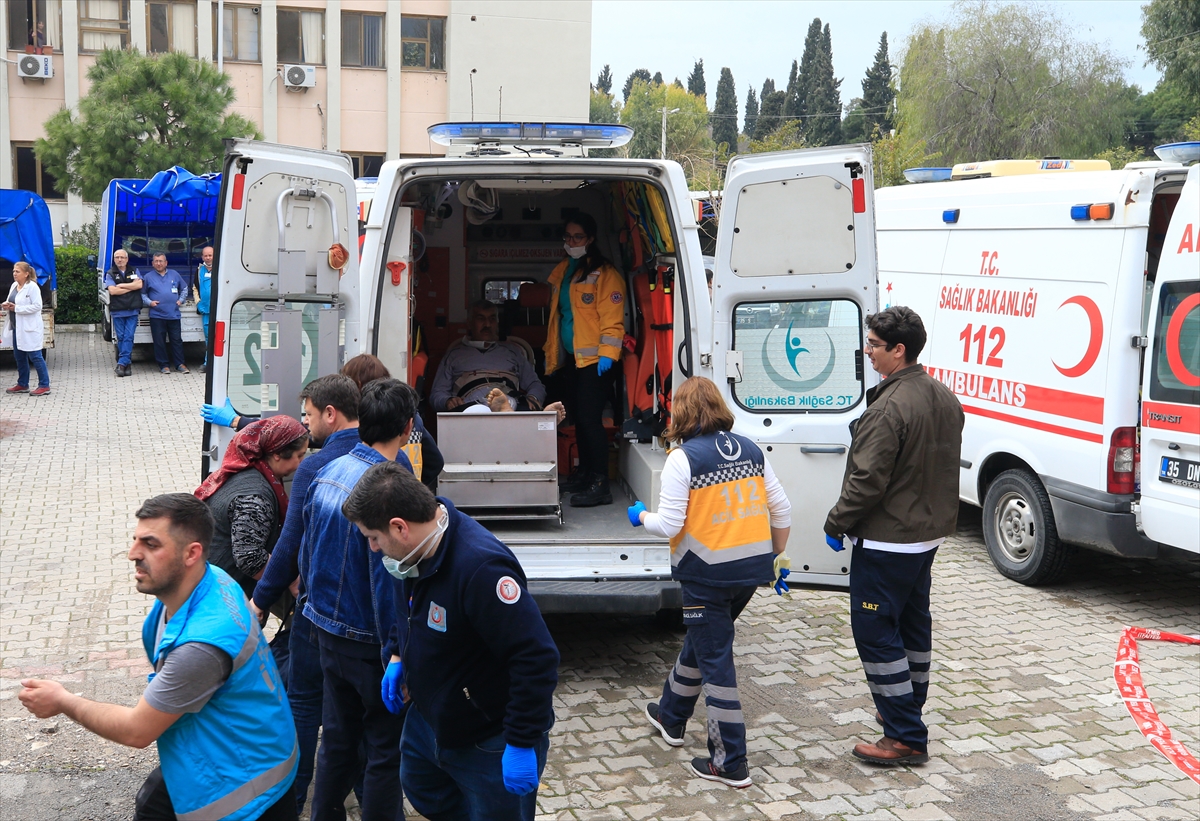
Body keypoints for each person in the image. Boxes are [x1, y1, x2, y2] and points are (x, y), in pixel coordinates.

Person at [18, 493, 298, 821]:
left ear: (191, 553)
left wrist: (63, 701)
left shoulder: (201, 646)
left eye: (151, 545)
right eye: (136, 540)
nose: (133, 554)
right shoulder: (212, 581)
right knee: (151, 805)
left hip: (242, 794)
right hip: (227, 746)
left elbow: (136, 731)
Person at [343, 462, 559, 821]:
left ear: (400, 527)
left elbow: (536, 658)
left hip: (487, 738)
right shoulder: (412, 554)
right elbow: (409, 607)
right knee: (421, 787)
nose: (374, 548)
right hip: (430, 722)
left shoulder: (480, 570)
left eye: (373, 537)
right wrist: (399, 655)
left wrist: (521, 741)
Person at [628, 376, 792, 789]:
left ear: (679, 412)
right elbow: (782, 509)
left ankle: (729, 761)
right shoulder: (752, 449)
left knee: (717, 660)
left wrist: (640, 517)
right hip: (748, 574)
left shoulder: (683, 459)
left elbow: (669, 524)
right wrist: (776, 556)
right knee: (704, 644)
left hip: (705, 575)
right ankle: (670, 715)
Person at [824, 306, 963, 766]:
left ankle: (904, 735)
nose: (867, 351)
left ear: (898, 350)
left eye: (874, 345)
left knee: (876, 632)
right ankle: (906, 711)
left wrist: (836, 522)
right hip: (926, 536)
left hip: (888, 540)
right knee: (912, 625)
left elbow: (867, 481)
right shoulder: (943, 396)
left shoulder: (887, 407)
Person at [300, 378, 416, 821]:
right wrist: (396, 651)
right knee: (385, 753)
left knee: (337, 744)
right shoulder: (386, 490)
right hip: (369, 644)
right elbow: (388, 578)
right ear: (407, 428)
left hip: (326, 633)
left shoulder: (325, 470)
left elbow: (307, 555)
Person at [250, 374, 362, 813]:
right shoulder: (387, 462)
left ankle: (292, 801)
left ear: (330, 414)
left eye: (310, 415)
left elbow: (289, 546)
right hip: (363, 622)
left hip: (316, 615)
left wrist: (259, 602)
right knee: (350, 719)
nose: (308, 425)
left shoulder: (316, 468)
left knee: (303, 704)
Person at [203, 355, 444, 493]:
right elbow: (435, 461)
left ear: (358, 387)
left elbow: (295, 433)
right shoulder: (411, 419)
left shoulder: (361, 426)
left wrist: (237, 421)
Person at [543, 213, 626, 507]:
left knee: (591, 422)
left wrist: (607, 356)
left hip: (597, 363)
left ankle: (600, 483)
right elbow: (562, 318)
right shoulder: (566, 271)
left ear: (590, 239)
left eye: (577, 237)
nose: (571, 242)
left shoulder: (605, 274)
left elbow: (613, 322)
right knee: (579, 419)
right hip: (574, 362)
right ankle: (585, 473)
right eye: (567, 237)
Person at [195, 416, 309, 599]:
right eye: (300, 455)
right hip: (221, 597)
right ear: (278, 453)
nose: (302, 463)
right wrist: (293, 582)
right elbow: (251, 558)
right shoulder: (255, 497)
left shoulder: (246, 470)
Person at [429, 299, 546, 413]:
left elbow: (535, 384)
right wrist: (447, 401)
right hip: (470, 404)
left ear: (497, 323)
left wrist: (533, 399)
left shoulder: (513, 352)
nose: (487, 324)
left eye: (492, 319)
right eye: (481, 319)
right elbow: (437, 393)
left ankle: (504, 406)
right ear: (469, 323)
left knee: (517, 406)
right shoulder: (454, 355)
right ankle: (496, 409)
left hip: (510, 400)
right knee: (476, 410)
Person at [3, 262, 51, 396]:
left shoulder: (32, 287)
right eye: (13, 271)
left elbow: (37, 306)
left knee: (35, 356)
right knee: (19, 356)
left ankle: (44, 385)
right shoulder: (14, 286)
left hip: (29, 328)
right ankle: (23, 384)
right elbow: (10, 301)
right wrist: (5, 306)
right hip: (16, 327)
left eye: (17, 271)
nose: (14, 274)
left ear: (26, 273)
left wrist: (16, 308)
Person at [141, 253, 189, 374]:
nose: (158, 263)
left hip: (174, 314)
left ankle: (180, 364)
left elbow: (184, 288)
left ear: (166, 263)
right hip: (157, 315)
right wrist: (149, 302)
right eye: (156, 261)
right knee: (159, 342)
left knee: (177, 340)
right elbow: (142, 294)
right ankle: (164, 365)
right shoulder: (148, 277)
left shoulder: (174, 274)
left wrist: (181, 300)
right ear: (152, 263)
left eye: (161, 261)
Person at [104, 249, 142, 377]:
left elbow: (139, 285)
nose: (119, 260)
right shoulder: (110, 273)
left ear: (127, 259)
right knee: (121, 337)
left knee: (129, 336)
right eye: (117, 257)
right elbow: (113, 291)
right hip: (118, 310)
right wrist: (130, 286)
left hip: (133, 310)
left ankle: (122, 364)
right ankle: (127, 364)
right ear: (114, 259)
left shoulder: (134, 271)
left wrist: (121, 286)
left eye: (122, 257)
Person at [195, 246, 214, 373]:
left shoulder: (221, 268)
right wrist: (198, 303)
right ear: (202, 257)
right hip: (205, 310)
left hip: (219, 309)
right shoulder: (199, 270)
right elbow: (194, 287)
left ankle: (218, 363)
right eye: (205, 255)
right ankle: (208, 363)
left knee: (220, 336)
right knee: (208, 337)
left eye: (210, 255)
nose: (208, 258)